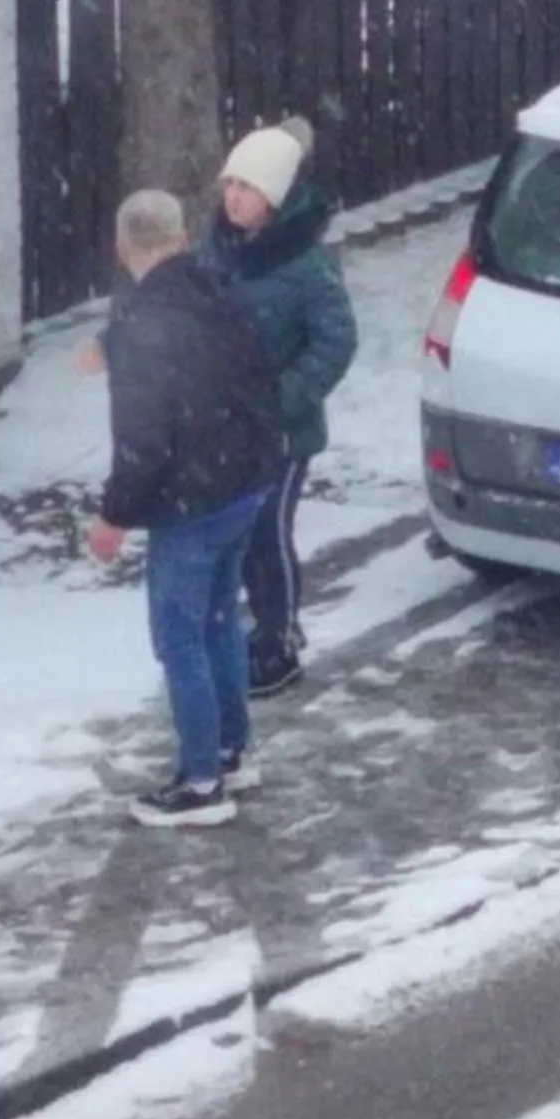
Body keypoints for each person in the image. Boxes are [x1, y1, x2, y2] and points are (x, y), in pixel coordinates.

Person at [85, 190, 284, 830]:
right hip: (244, 486)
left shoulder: (147, 323)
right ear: (177, 237)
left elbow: (143, 439)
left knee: (180, 638)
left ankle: (201, 782)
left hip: (190, 503)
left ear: (122, 248)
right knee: (220, 620)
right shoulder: (221, 291)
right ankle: (230, 749)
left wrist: (114, 514)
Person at [202, 118, 359, 697]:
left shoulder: (306, 267)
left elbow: (336, 342)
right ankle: (253, 630)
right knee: (238, 534)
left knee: (269, 533)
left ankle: (280, 639)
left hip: (282, 434)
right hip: (226, 423)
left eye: (245, 187)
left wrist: (281, 399)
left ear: (272, 195)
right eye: (228, 186)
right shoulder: (218, 251)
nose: (231, 198)